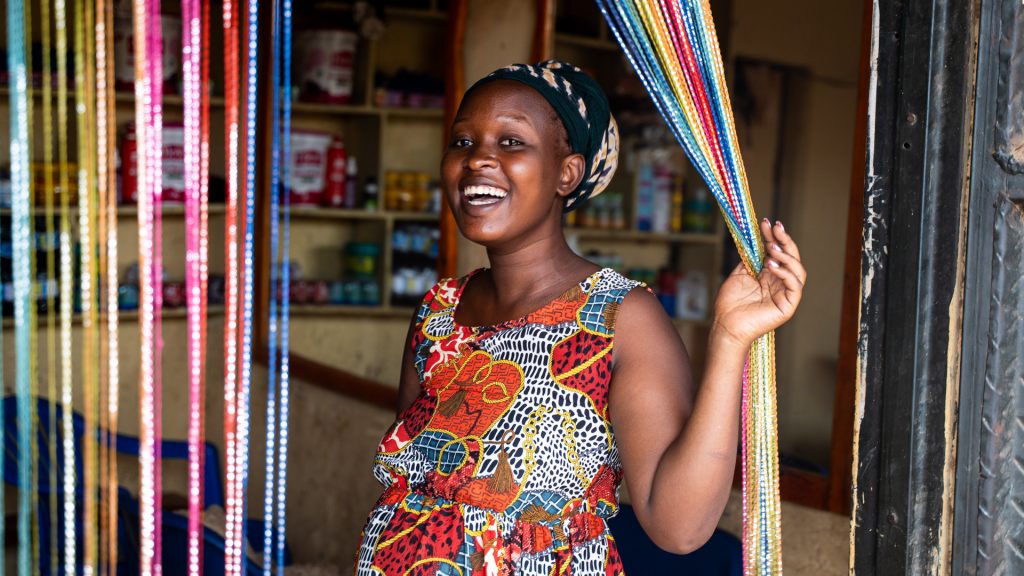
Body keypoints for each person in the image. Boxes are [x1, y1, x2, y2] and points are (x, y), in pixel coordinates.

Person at [355, 61, 806, 576]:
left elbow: (677, 528)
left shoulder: (617, 316)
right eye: (462, 142)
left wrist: (729, 339)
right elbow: (414, 489)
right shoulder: (437, 312)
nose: (479, 159)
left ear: (566, 173)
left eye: (511, 143)